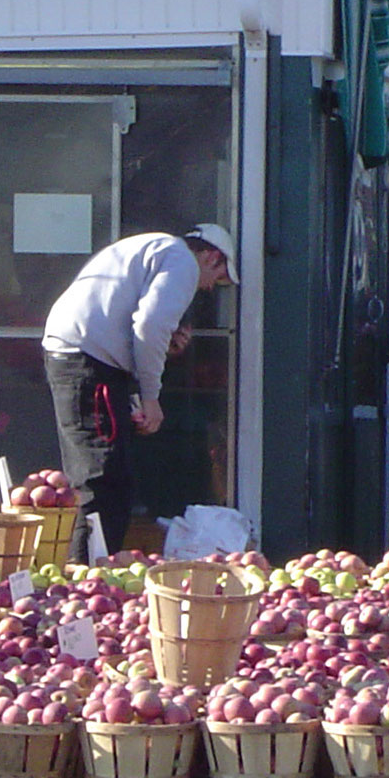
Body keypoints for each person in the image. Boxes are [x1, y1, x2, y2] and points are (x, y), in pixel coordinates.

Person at [42, 224, 237, 561]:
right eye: (218, 278)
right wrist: (150, 396)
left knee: (105, 475)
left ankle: (86, 571)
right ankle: (85, 574)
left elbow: (130, 324)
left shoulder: (154, 247)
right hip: (89, 363)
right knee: (103, 479)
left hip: (81, 357)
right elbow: (150, 325)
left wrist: (154, 357)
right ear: (211, 256)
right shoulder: (183, 261)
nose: (208, 288)